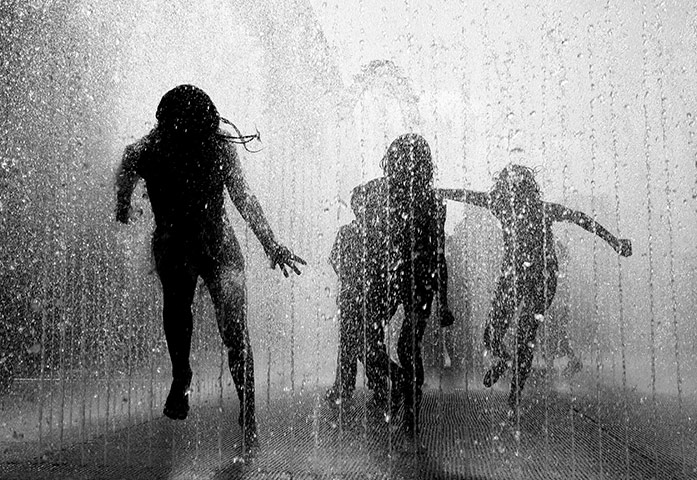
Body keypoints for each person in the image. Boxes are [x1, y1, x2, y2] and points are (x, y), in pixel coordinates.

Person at [114, 85, 305, 449]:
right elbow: (124, 188)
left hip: (211, 245)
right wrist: (124, 202)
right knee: (186, 306)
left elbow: (243, 198)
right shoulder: (149, 152)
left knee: (222, 326)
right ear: (168, 126)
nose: (191, 140)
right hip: (188, 245)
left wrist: (271, 244)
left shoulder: (195, 149)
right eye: (184, 131)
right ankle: (184, 375)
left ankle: (244, 406)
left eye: (197, 132)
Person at [439, 164, 632, 411]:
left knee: (525, 336)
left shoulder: (537, 209)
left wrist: (615, 242)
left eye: (520, 188)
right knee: (491, 335)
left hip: (541, 277)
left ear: (527, 190)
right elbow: (464, 194)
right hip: (515, 276)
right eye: (512, 188)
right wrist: (434, 191)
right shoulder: (503, 205)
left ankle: (515, 395)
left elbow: (579, 218)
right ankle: (505, 361)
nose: (516, 193)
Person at [380, 134, 453, 437]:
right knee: (381, 341)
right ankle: (404, 388)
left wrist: (445, 302)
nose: (394, 170)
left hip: (419, 280)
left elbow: (438, 254)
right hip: (404, 278)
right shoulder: (398, 196)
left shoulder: (427, 201)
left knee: (405, 345)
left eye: (397, 162)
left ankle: (411, 407)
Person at [325, 178, 392, 407]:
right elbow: (336, 259)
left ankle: (353, 387)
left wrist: (351, 279)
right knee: (361, 342)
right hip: (362, 297)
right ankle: (365, 387)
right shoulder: (372, 236)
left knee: (361, 343)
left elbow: (335, 260)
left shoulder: (360, 234)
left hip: (361, 297)